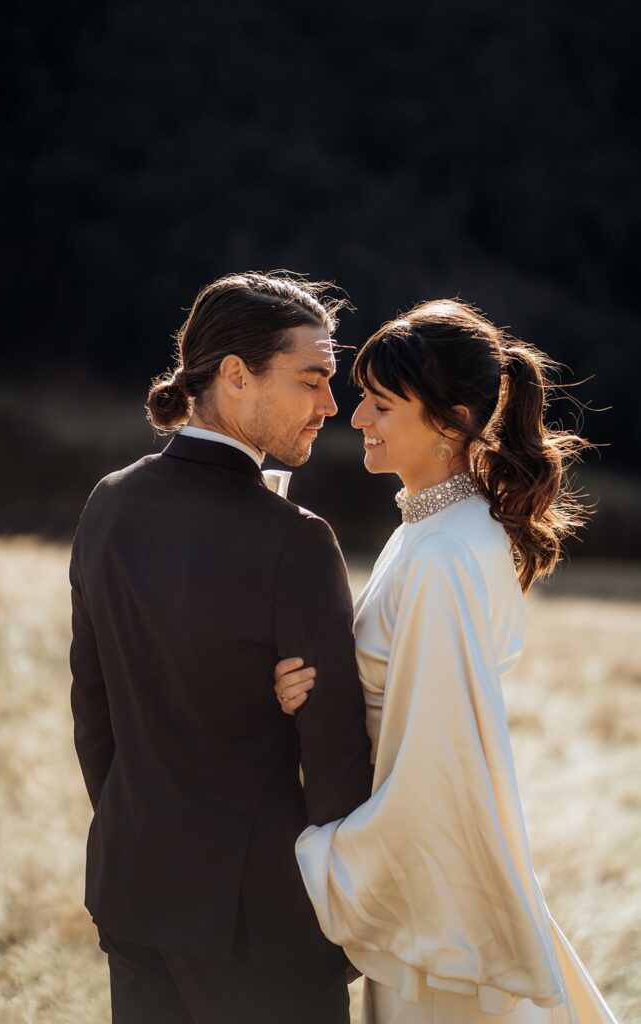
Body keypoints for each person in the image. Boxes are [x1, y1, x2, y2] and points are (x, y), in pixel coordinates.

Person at [274, 300, 617, 1023]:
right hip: (433, 867)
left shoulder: (443, 553)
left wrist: (328, 856)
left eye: (381, 404)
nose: (356, 418)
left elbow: (435, 759)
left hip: (430, 889)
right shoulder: (437, 525)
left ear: (452, 423)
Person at [69, 271, 373, 1024]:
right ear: (235, 376)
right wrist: (346, 914)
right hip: (264, 926)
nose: (330, 406)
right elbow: (335, 762)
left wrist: (140, 839)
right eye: (311, 380)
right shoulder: (296, 540)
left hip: (135, 891)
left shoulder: (108, 501)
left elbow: (93, 713)